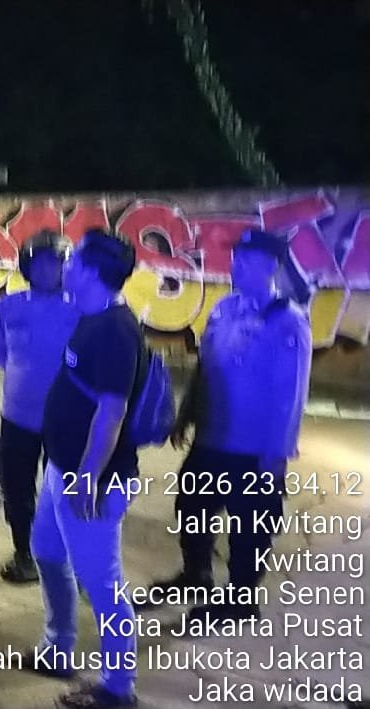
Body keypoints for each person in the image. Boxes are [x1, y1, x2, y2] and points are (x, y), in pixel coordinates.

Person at [151, 228, 311, 622]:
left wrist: (277, 453)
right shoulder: (224, 308)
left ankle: (241, 600)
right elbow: (207, 368)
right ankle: (197, 575)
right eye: (237, 259)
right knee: (192, 506)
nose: (237, 267)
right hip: (212, 438)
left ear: (271, 267)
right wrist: (187, 414)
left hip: (253, 449)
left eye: (248, 261)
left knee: (251, 526)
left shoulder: (287, 321)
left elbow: (291, 394)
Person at [28, 229, 142, 708]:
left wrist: (88, 476)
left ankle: (117, 687)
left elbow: (112, 412)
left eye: (73, 260)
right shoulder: (90, 316)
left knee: (102, 584)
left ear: (92, 272)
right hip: (63, 468)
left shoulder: (116, 330)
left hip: (90, 480)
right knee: (47, 552)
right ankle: (59, 646)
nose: (65, 265)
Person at [0, 231, 80, 583]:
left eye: (54, 264)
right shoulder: (9, 306)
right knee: (16, 487)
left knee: (61, 490)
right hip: (17, 416)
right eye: (39, 264)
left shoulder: (80, 309)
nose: (46, 271)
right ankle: (23, 553)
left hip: (65, 419)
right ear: (27, 267)